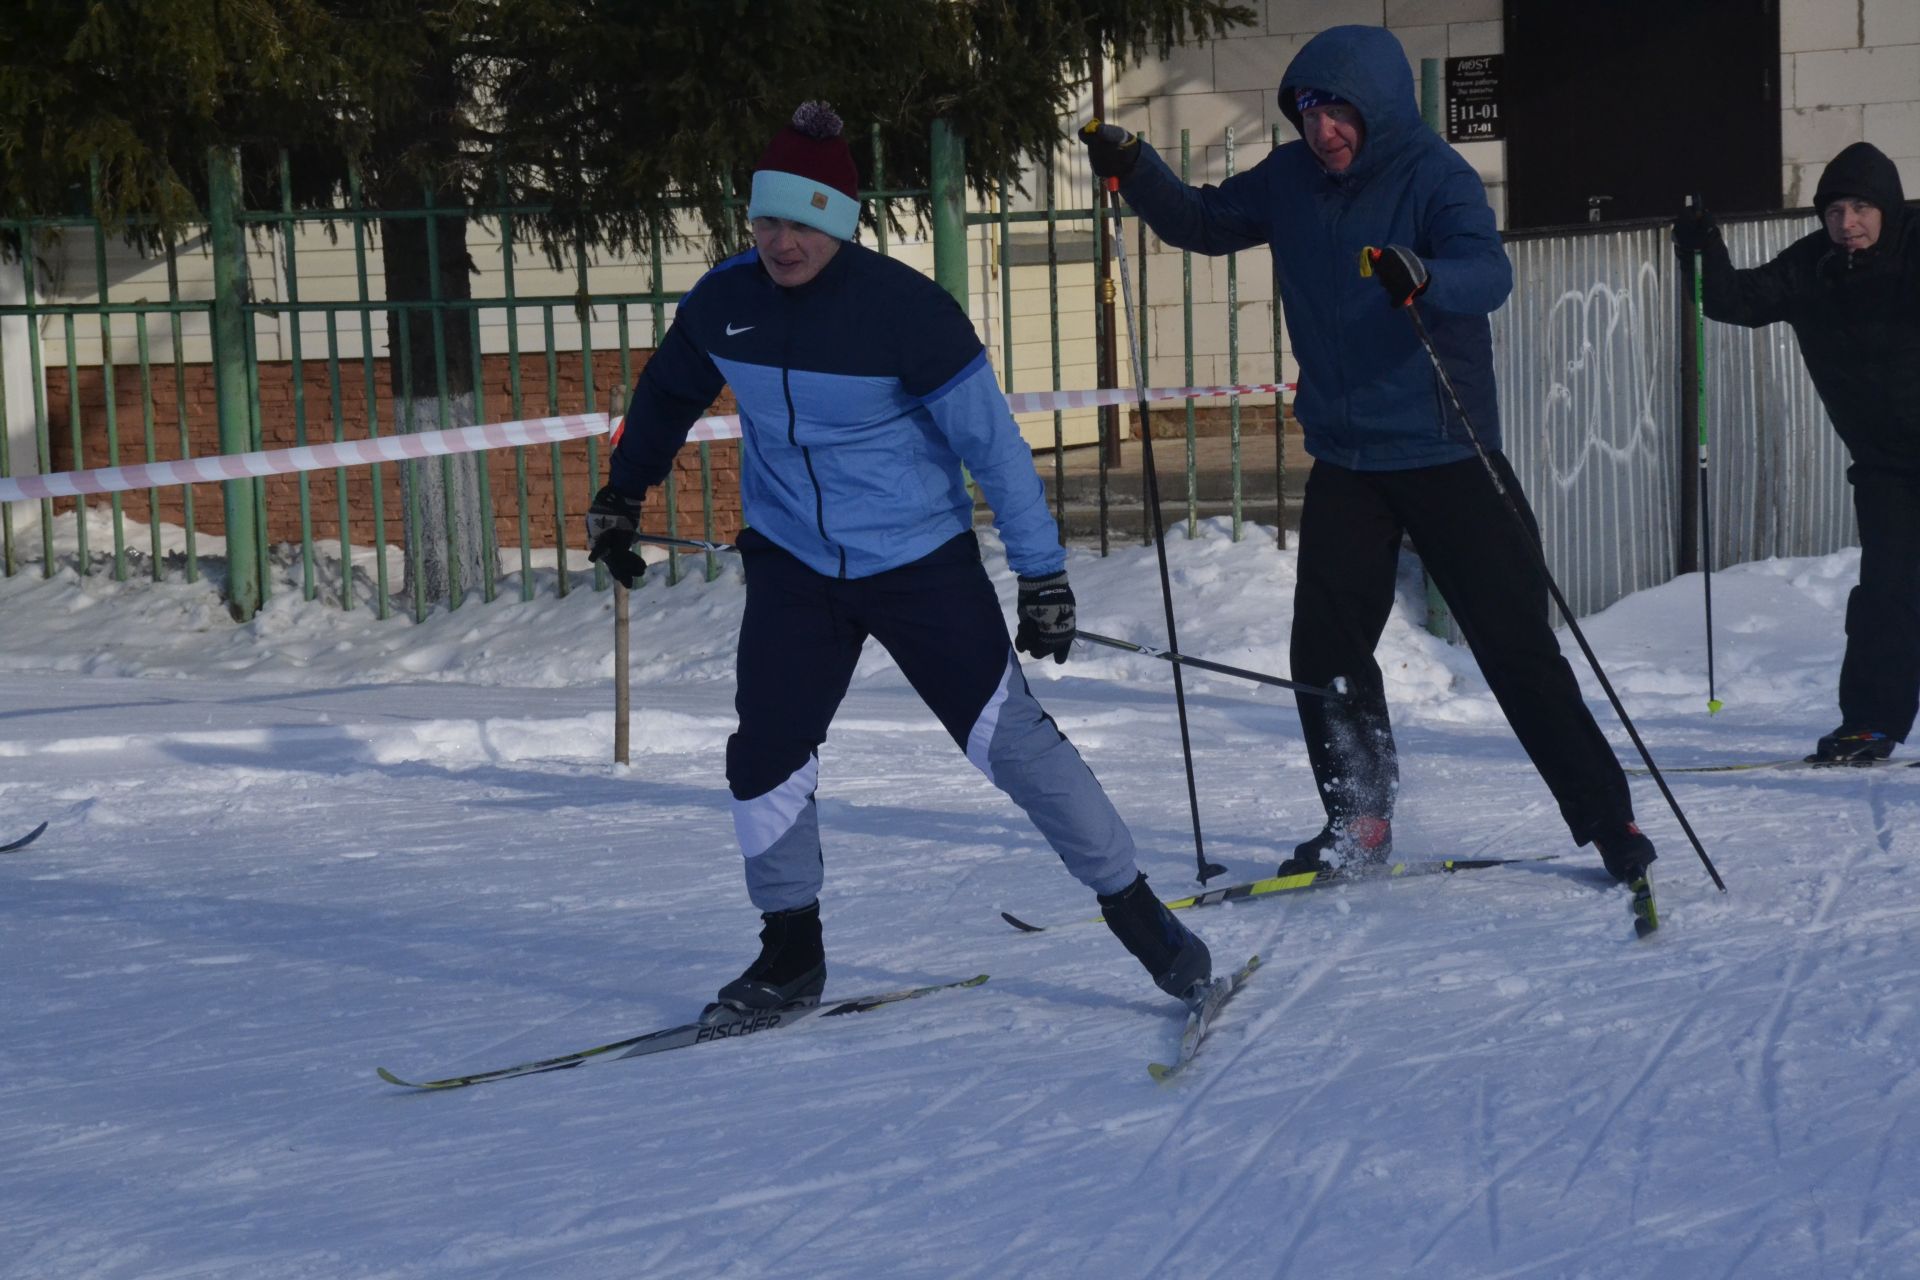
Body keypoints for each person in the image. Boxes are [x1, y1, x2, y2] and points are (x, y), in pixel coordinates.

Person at [587, 102, 1212, 1020]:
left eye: (802, 221)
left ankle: (1146, 922)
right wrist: (619, 497)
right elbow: (666, 396)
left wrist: (1043, 577)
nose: (781, 242)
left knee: (1015, 745)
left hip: (919, 562)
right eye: (766, 220)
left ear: (840, 219)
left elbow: (995, 449)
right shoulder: (725, 301)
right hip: (796, 566)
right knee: (764, 752)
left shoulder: (905, 311)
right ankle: (789, 952)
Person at [1079, 25, 1656, 884]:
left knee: (1516, 648)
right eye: (1308, 113)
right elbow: (1203, 222)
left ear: (1377, 109)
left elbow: (1487, 272)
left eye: (1338, 111)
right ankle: (1362, 820)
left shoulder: (1436, 175)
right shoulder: (1290, 181)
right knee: (1326, 652)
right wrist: (1137, 168)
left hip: (1448, 449)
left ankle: (1609, 818)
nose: (1323, 132)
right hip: (1350, 460)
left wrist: (1424, 273)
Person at [1673, 142, 1920, 764]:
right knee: (1886, 595)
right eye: (1835, 210)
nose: (1848, 223)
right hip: (1887, 464)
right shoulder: (1814, 268)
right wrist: (1703, 248)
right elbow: (1733, 300)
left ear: (1888, 207)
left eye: (1862, 207)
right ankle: (1870, 724)